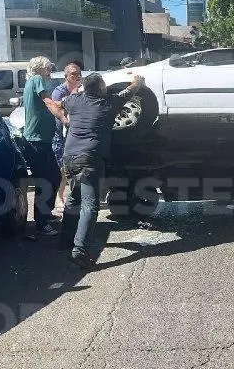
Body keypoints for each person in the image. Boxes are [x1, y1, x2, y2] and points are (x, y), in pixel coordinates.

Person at [58, 72, 146, 268]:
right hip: (89, 158)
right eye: (104, 86)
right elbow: (130, 91)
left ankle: (65, 239)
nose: (106, 88)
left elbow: (59, 103)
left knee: (74, 198)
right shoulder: (107, 103)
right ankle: (79, 250)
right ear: (99, 89)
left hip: (69, 156)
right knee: (90, 205)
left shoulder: (73, 100)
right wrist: (137, 81)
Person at [22, 56, 69, 237]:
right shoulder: (36, 80)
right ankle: (41, 224)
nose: (50, 71)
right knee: (45, 181)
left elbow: (51, 102)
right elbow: (48, 102)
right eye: (48, 68)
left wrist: (68, 103)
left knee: (55, 177)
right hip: (36, 141)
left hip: (42, 141)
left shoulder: (32, 83)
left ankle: (46, 215)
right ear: (40, 69)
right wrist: (63, 119)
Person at [52, 63, 83, 214]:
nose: (77, 76)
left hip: (77, 134)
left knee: (75, 167)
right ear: (66, 77)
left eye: (79, 73)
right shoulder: (59, 91)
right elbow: (55, 108)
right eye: (73, 74)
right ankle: (59, 197)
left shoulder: (83, 89)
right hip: (61, 134)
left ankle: (75, 197)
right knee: (62, 168)